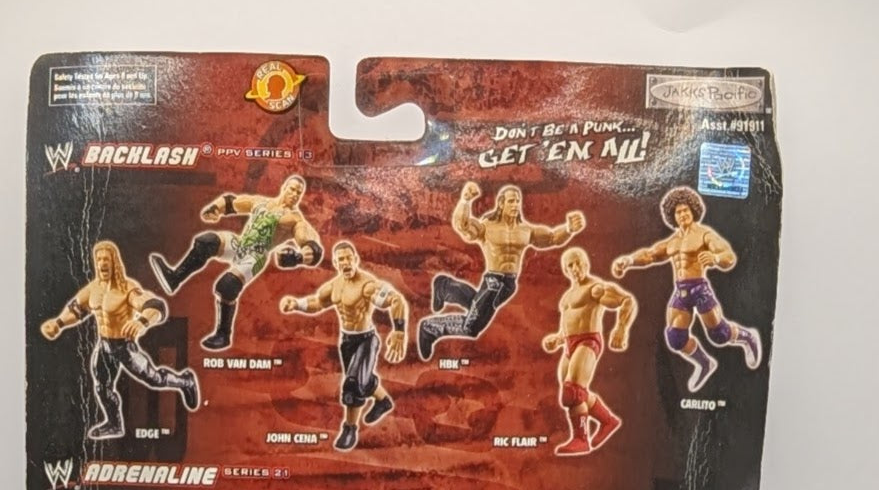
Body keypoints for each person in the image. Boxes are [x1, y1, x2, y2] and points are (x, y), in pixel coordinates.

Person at [40, 239, 198, 440]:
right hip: (104, 346)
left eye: (106, 259)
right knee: (102, 386)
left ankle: (185, 381)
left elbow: (156, 306)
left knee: (154, 379)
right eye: (99, 260)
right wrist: (58, 323)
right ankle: (114, 425)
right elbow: (76, 309)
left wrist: (142, 322)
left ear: (115, 262)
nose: (102, 264)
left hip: (124, 347)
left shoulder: (127, 288)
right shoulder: (93, 289)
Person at [610, 186, 761, 393]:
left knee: (719, 334)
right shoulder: (672, 241)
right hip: (681, 291)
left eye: (686, 210)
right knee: (675, 338)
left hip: (699, 289)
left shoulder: (704, 234)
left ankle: (747, 336)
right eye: (678, 212)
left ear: (693, 210)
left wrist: (716, 258)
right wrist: (628, 260)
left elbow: (729, 256)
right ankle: (705, 363)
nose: (682, 214)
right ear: (673, 216)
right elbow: (650, 255)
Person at [149, 175, 324, 350]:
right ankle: (174, 278)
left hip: (256, 255)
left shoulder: (294, 219)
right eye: (292, 189)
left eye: (299, 193)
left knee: (227, 286)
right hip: (240, 244)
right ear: (284, 187)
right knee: (206, 242)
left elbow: (312, 245)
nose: (295, 194)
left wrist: (298, 257)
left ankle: (223, 334)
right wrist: (215, 209)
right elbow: (231, 202)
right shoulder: (261, 202)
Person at [417, 182, 585, 360]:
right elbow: (463, 226)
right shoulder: (487, 227)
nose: (515, 205)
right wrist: (465, 201)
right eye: (511, 201)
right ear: (501, 204)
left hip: (509, 284)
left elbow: (552, 238)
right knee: (472, 326)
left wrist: (569, 229)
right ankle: (429, 328)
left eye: (517, 201)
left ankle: (445, 287)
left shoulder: (525, 230)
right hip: (493, 282)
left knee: (477, 307)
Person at [279, 241, 407, 450]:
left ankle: (350, 429)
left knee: (352, 384)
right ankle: (383, 401)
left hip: (366, 340)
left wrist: (399, 330)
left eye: (349, 258)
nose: (346, 263)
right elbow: (318, 303)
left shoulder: (367, 285)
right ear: (336, 264)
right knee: (363, 380)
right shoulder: (333, 287)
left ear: (356, 259)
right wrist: (297, 304)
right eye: (341, 260)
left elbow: (396, 300)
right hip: (347, 341)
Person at [543, 247, 636, 456]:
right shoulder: (567, 297)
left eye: (579, 262)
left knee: (573, 391)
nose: (576, 268)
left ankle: (581, 439)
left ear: (587, 263)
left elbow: (626, 301)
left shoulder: (595, 288)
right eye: (570, 265)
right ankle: (608, 421)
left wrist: (621, 329)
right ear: (565, 270)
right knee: (571, 393)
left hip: (588, 340)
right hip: (570, 343)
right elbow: (568, 325)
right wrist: (557, 339)